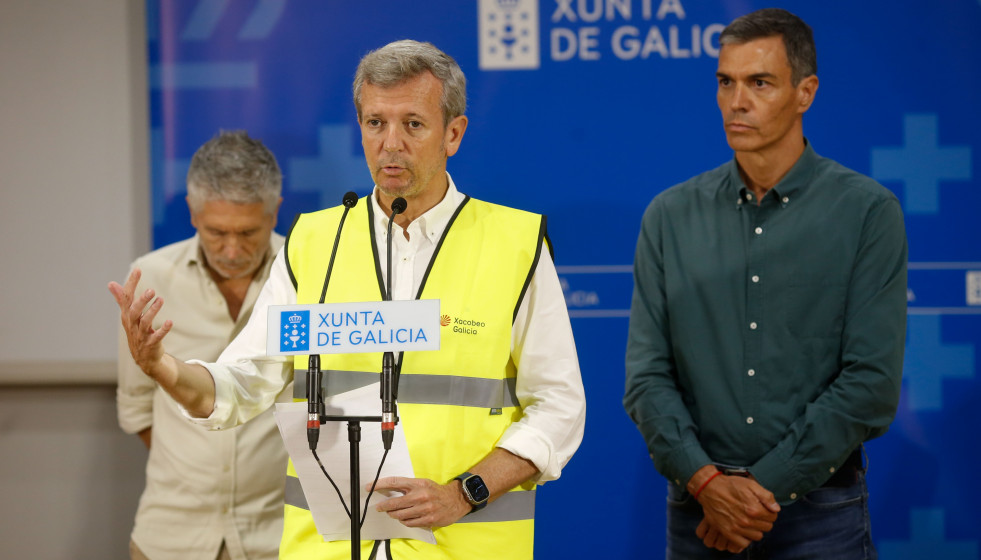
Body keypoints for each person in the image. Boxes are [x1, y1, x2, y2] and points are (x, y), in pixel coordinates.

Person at [110, 40, 586, 560]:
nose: (390, 144)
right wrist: (164, 368)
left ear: (453, 133)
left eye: (413, 124)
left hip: (462, 546)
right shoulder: (315, 243)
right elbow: (242, 382)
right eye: (375, 123)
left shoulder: (513, 244)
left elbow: (559, 407)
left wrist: (464, 492)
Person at [624, 8, 907, 559]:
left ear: (806, 92)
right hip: (699, 509)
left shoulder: (866, 212)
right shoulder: (669, 216)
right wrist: (708, 485)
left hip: (820, 512)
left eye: (760, 83)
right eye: (725, 83)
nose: (737, 101)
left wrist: (755, 493)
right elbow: (647, 378)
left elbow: (870, 385)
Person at [116, 131, 288, 560]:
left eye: (248, 232)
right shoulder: (150, 277)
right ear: (193, 213)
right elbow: (137, 406)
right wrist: (199, 468)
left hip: (279, 538)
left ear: (274, 213)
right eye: (216, 232)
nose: (232, 250)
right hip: (171, 538)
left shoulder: (306, 276)